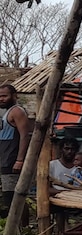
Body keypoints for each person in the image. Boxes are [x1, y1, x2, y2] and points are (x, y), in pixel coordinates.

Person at [0, 84, 31, 217]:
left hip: (12, 160)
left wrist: (19, 160)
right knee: (7, 197)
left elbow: (25, 135)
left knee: (14, 198)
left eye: (4, 96)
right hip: (4, 159)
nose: (1, 99)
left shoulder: (17, 111)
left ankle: (21, 230)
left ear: (14, 96)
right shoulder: (5, 113)